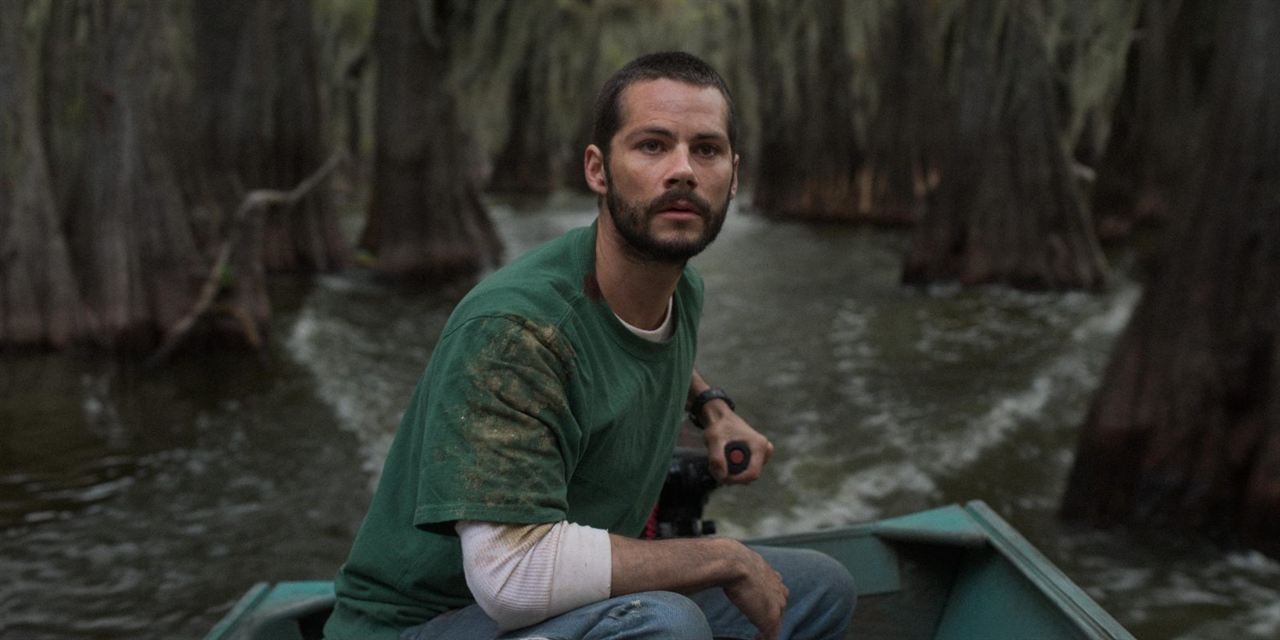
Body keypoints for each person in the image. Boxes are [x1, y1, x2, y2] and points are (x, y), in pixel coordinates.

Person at [324, 51, 856, 640]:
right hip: (424, 624)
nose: (682, 170)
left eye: (705, 149)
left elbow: (637, 346)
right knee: (665, 624)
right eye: (652, 145)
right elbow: (512, 578)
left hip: (554, 610)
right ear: (598, 170)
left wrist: (713, 408)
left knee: (821, 587)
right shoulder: (514, 332)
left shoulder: (681, 290)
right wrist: (722, 557)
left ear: (735, 174)